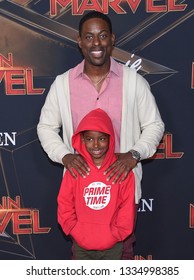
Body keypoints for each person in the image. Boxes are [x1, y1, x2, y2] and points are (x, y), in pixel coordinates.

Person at [37, 11, 165, 259]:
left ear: (112, 39)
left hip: (121, 196)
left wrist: (134, 154)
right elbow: (45, 127)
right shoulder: (63, 84)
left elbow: (154, 125)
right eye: (89, 37)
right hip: (79, 198)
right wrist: (65, 156)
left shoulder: (134, 82)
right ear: (80, 41)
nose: (96, 43)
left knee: (122, 258)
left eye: (103, 35)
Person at [57, 108, 135, 260]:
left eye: (102, 138)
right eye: (90, 139)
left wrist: (116, 233)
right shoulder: (75, 169)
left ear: (110, 139)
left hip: (112, 246)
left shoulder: (121, 170)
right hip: (81, 245)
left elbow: (127, 208)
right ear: (82, 140)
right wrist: (74, 229)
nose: (96, 145)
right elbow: (64, 203)